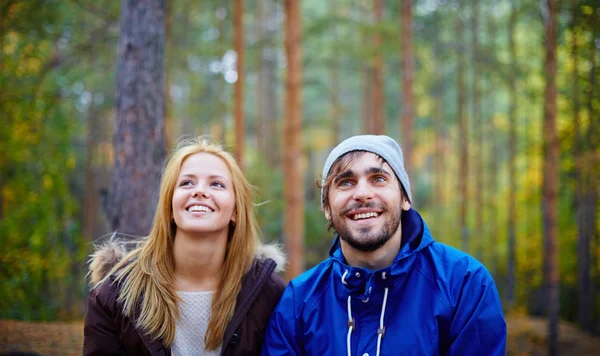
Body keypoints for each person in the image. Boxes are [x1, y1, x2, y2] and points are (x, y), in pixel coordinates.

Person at [262, 134, 506, 356]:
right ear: (327, 208)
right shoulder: (298, 301)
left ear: (405, 198)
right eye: (345, 182)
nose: (362, 193)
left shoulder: (464, 283)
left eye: (378, 179)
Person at [83, 137, 286, 355]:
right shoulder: (116, 295)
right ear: (169, 207)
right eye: (186, 183)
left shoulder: (269, 293)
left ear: (236, 211)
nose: (199, 191)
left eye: (216, 184)